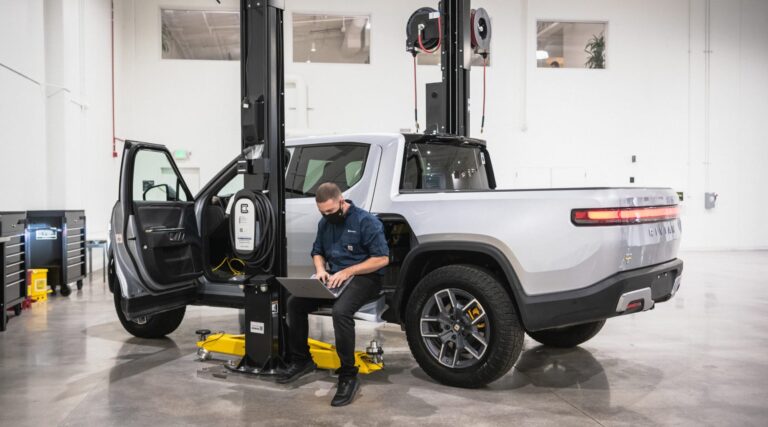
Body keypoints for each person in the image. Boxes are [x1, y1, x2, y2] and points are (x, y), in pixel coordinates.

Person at [277, 182, 390, 407]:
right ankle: (302, 361)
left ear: (341, 201)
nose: (327, 216)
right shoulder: (325, 223)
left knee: (341, 312)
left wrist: (348, 271)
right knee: (294, 304)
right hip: (334, 278)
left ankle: (348, 374)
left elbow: (382, 259)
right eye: (322, 212)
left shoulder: (366, 221)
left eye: (330, 211)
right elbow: (317, 251)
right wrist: (320, 271)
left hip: (365, 278)